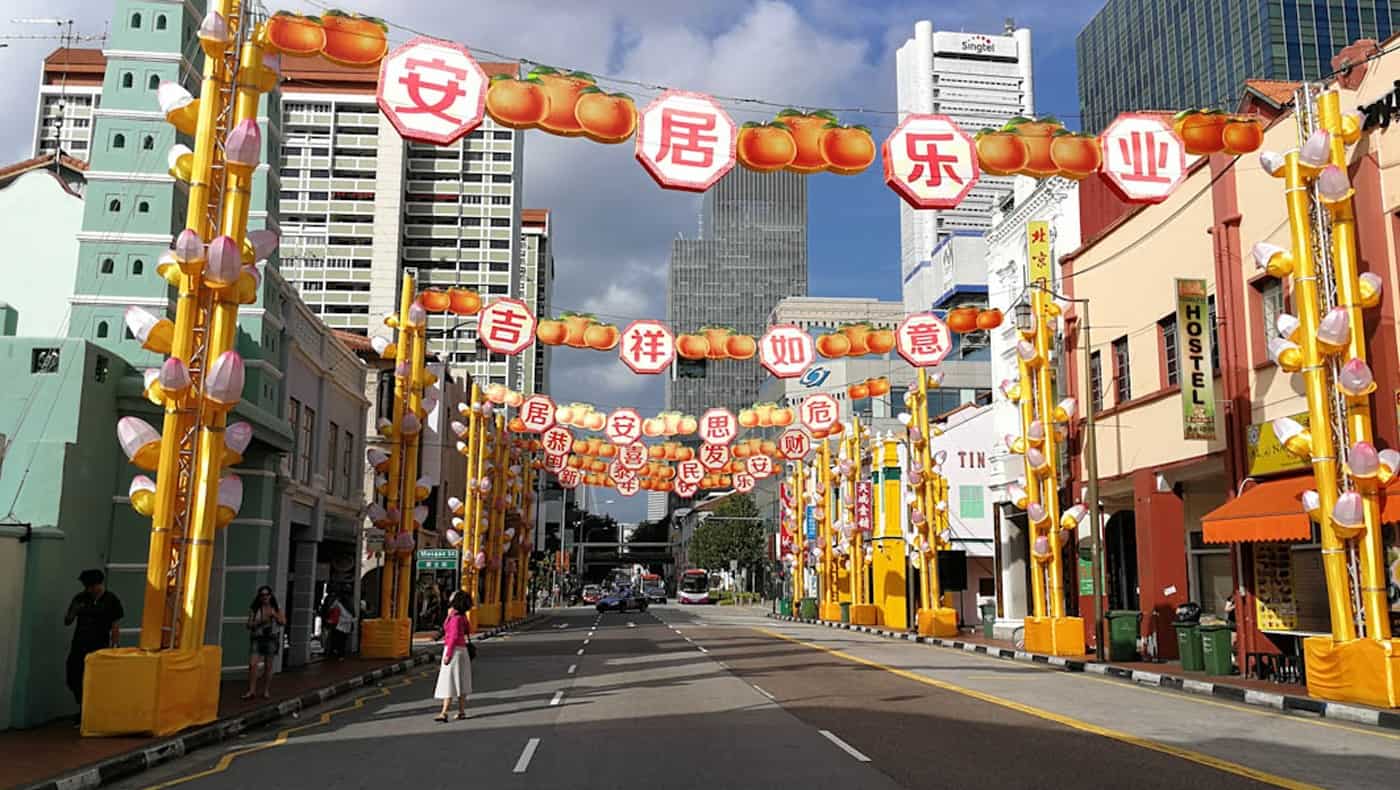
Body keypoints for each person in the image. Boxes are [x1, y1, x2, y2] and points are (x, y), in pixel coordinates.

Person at [65, 569, 124, 718]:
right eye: (86, 586)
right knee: (73, 676)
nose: (88, 589)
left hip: (99, 646)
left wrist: (115, 646)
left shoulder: (111, 600)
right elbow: (67, 620)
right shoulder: (81, 598)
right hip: (79, 644)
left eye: (90, 586)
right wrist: (74, 611)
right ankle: (82, 705)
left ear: (98, 585)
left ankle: (90, 711)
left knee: (95, 680)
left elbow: (115, 625)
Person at [433, 591, 474, 722]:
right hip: (462, 652)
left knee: (448, 682)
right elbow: (468, 630)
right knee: (461, 682)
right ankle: (461, 711)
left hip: (454, 651)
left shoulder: (455, 618)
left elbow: (453, 637)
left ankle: (444, 712)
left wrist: (448, 655)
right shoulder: (462, 617)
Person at [243, 586, 286, 700]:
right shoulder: (255, 608)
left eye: (266, 594)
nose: (265, 597)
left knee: (268, 666)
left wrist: (274, 615)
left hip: (271, 638)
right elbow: (248, 624)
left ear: (270, 596)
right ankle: (251, 690)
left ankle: (266, 690)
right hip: (257, 637)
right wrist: (259, 622)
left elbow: (283, 621)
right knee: (253, 664)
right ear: (259, 596)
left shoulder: (276, 607)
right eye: (262, 595)